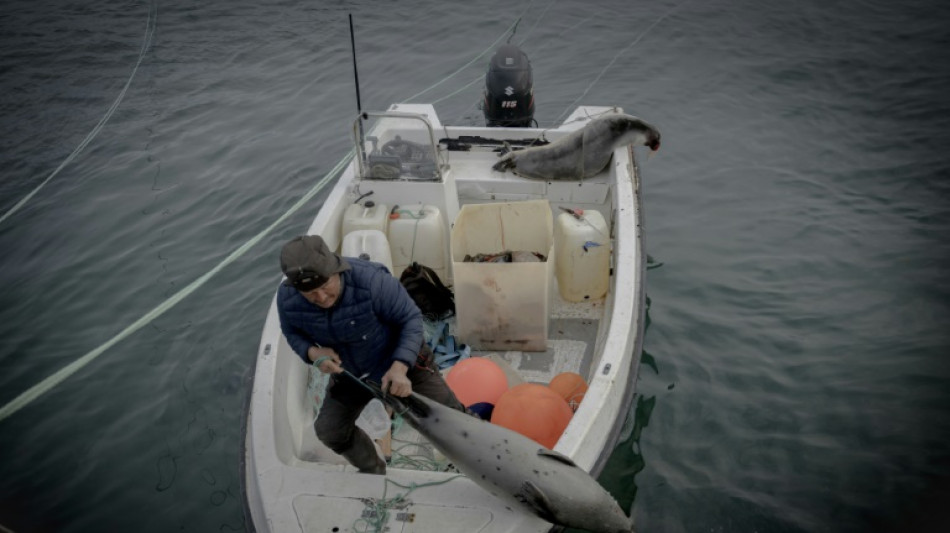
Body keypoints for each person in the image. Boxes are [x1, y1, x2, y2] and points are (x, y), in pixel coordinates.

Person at [276, 234, 466, 474]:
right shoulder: (287, 299)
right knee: (329, 431)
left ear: (337, 271)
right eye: (310, 295)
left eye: (325, 287)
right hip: (350, 374)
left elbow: (411, 319)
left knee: (452, 417)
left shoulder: (372, 281)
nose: (321, 298)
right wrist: (313, 353)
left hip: (401, 362)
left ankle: (480, 462)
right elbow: (291, 332)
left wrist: (400, 367)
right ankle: (374, 471)